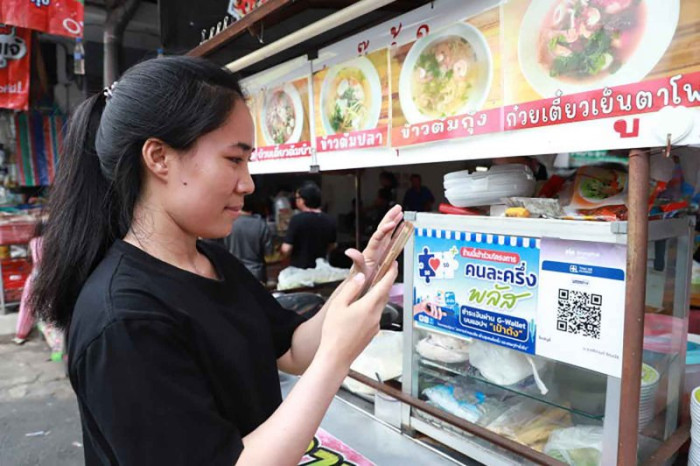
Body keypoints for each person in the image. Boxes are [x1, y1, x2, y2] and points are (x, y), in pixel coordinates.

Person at [30, 56, 402, 465]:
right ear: (158, 158)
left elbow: (293, 350)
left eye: (248, 161)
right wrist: (337, 356)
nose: (248, 183)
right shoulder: (125, 319)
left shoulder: (213, 261)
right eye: (233, 159)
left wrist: (359, 281)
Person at [281, 182, 337, 269]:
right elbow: (332, 246)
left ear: (303, 200)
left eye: (297, 198)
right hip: (322, 269)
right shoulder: (330, 220)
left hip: (300, 270)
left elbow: (286, 249)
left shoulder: (297, 220)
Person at [223, 195, 272, 282]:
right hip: (256, 273)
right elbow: (268, 253)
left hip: (233, 272)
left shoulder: (228, 223)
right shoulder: (261, 224)